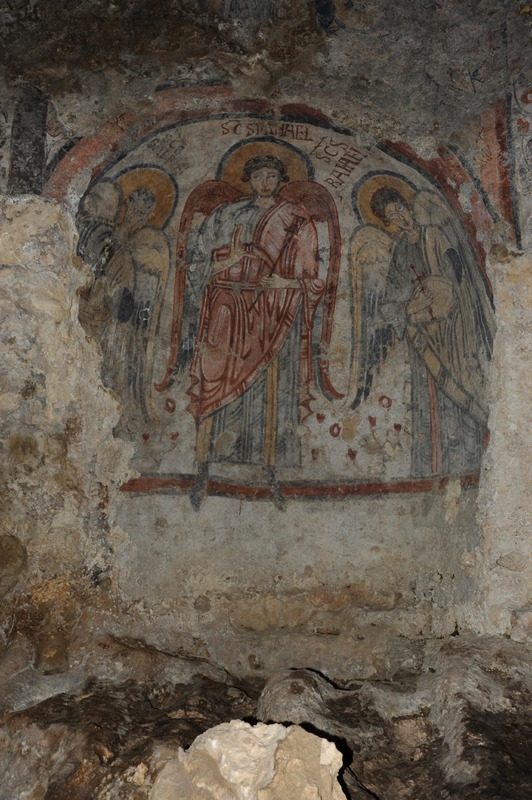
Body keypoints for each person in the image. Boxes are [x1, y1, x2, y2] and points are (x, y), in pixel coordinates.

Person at [186, 155, 325, 509]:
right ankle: (204, 467)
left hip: (272, 310)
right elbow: (195, 261)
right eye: (259, 175)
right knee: (214, 378)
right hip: (226, 307)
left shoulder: (295, 217)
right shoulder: (226, 214)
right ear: (249, 178)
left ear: (280, 179)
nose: (265, 181)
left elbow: (313, 274)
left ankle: (269, 470)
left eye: (272, 175)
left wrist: (286, 281)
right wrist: (224, 263)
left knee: (269, 390)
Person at [368, 186, 494, 477]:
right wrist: (412, 307)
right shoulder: (399, 248)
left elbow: (458, 280)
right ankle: (436, 469)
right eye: (392, 216)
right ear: (388, 223)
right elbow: (391, 300)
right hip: (422, 336)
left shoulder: (436, 235)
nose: (401, 217)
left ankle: (473, 463)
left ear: (407, 206)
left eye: (400, 208)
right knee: (430, 401)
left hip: (453, 330)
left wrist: (437, 299)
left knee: (461, 386)